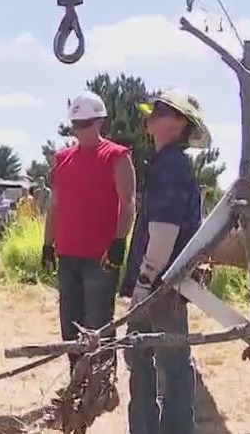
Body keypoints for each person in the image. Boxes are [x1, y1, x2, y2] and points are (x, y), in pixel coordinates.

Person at [120, 89, 211, 434]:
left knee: (163, 364)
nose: (152, 115)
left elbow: (163, 231)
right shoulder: (170, 164)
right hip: (165, 284)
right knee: (150, 359)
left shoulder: (170, 167)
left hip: (161, 286)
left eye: (161, 111)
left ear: (179, 124)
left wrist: (144, 283)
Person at [42, 92, 137, 377]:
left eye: (86, 123)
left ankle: (102, 381)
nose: (80, 130)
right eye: (76, 124)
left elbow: (129, 202)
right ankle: (77, 381)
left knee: (97, 324)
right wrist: (47, 245)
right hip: (68, 254)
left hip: (101, 257)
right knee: (69, 326)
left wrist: (120, 242)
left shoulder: (117, 156)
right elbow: (55, 205)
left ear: (99, 122)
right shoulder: (62, 159)